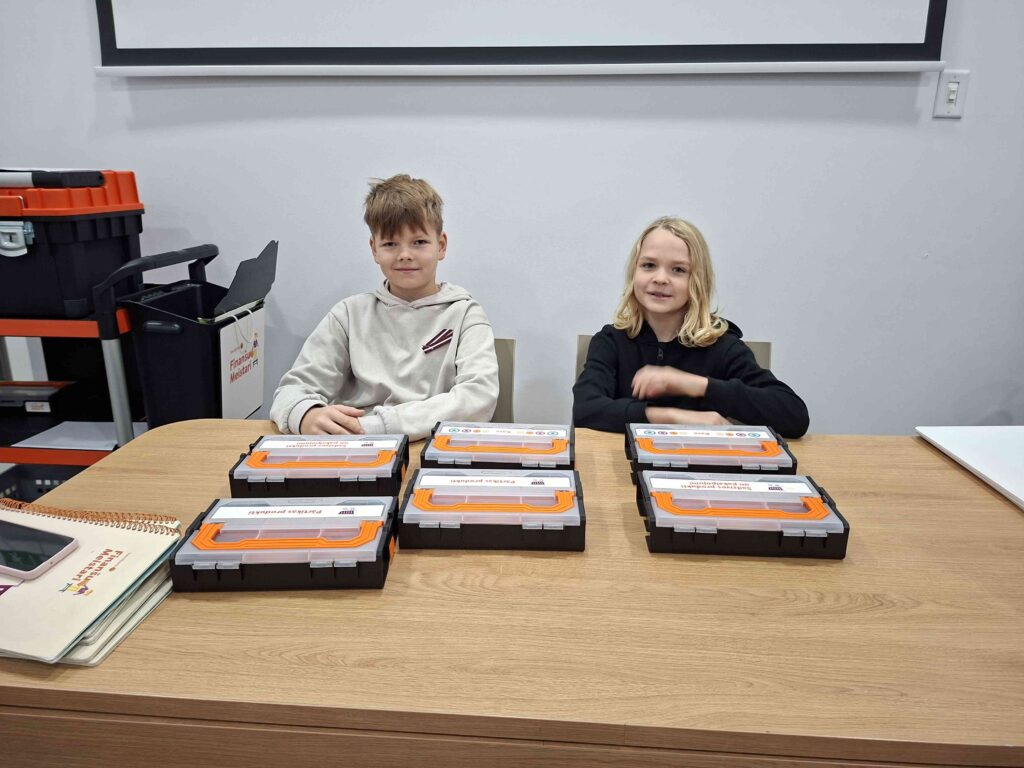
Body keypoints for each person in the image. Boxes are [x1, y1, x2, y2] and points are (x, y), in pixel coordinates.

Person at [270, 174, 498, 440]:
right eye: (390, 244)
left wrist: (378, 426)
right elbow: (292, 390)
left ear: (441, 245)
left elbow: (478, 397)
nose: (405, 255)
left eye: (419, 242)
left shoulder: (465, 315)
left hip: (424, 445)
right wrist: (305, 414)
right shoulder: (348, 315)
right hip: (356, 448)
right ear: (374, 249)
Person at [572, 216, 809, 437]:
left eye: (678, 270)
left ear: (698, 280)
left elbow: (794, 416)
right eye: (649, 265)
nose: (660, 278)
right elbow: (585, 409)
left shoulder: (722, 346)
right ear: (633, 272)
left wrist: (691, 384)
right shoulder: (611, 341)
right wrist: (671, 417)